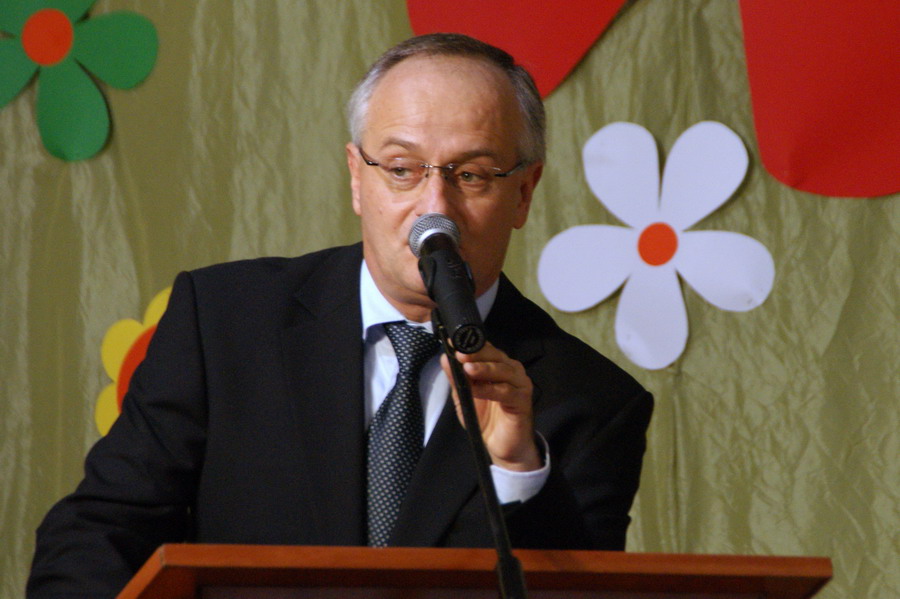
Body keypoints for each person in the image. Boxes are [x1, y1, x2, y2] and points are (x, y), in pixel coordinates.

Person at [27, 33, 653, 598]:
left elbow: (581, 589)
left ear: (524, 192)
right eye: (402, 170)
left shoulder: (593, 402)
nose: (435, 208)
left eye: (472, 174)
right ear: (357, 177)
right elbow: (95, 534)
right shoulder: (222, 321)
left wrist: (516, 472)